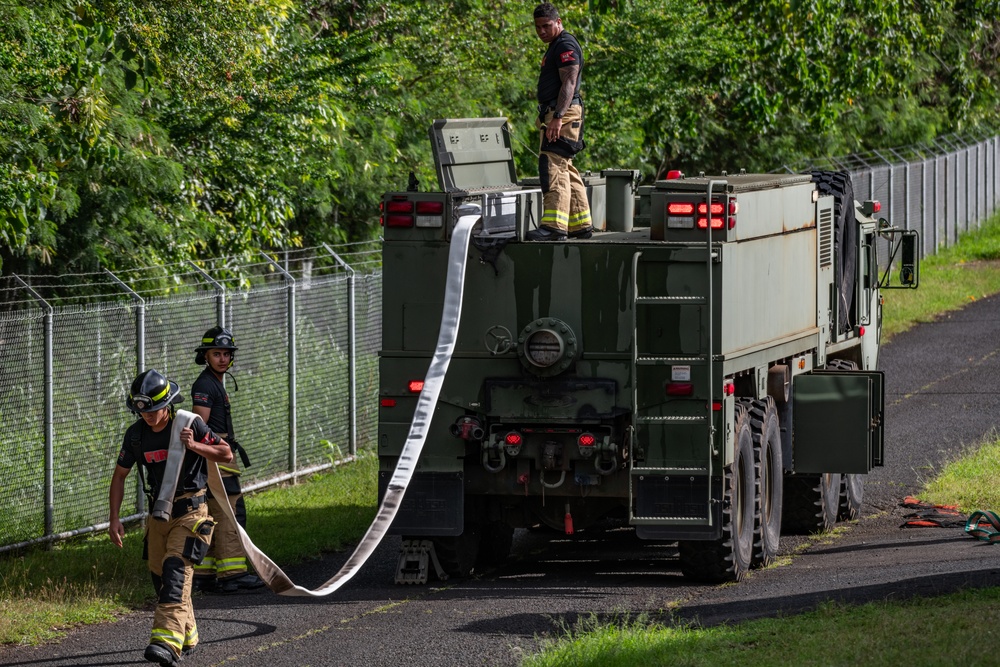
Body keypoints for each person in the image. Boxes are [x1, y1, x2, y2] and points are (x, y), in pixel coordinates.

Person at [108, 369, 233, 667]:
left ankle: (165, 642)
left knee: (176, 572)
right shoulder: (135, 435)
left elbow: (225, 453)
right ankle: (187, 634)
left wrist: (194, 446)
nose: (148, 417)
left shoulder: (190, 423)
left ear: (168, 404)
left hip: (192, 513)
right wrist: (114, 518)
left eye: (153, 410)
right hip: (159, 515)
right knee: (160, 578)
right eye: (142, 411)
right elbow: (120, 475)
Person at [190, 326, 265, 594]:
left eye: (226, 354)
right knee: (230, 513)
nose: (223, 358)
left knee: (211, 513)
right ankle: (233, 574)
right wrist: (221, 447)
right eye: (216, 353)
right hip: (218, 457)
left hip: (216, 456)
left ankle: (204, 574)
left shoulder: (213, 382)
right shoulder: (205, 385)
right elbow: (200, 425)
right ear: (205, 356)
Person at [527, 3, 593, 241]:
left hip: (562, 113)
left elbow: (569, 82)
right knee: (564, 165)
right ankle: (581, 224)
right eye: (537, 27)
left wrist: (557, 117)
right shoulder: (556, 45)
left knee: (552, 164)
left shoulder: (564, 44)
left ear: (558, 22)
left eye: (546, 26)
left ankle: (554, 226)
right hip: (561, 112)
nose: (541, 31)